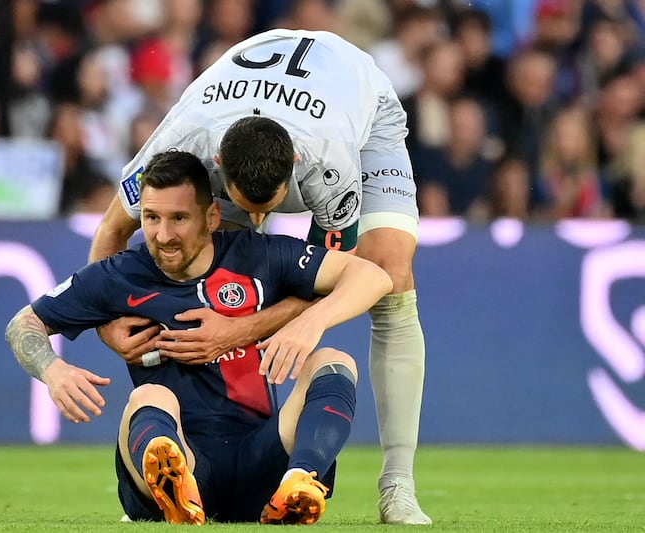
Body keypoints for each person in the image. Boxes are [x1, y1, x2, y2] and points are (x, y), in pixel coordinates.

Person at [88, 29, 430, 525]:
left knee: (390, 272)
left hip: (359, 106)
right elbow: (111, 231)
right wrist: (108, 323)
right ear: (219, 166)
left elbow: (345, 275)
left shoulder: (327, 160)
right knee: (204, 259)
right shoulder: (183, 140)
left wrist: (283, 326)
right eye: (244, 209)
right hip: (239, 104)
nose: (256, 224)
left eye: (265, 210)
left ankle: (398, 484)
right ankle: (184, 464)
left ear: (292, 168)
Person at [5, 151, 394, 524]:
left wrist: (311, 322)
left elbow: (373, 277)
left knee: (335, 361)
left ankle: (299, 481)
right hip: (185, 449)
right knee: (149, 397)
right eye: (151, 217)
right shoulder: (118, 274)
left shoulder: (258, 255)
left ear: (211, 217)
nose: (162, 234)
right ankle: (176, 482)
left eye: (178, 218)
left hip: (260, 458)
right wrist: (53, 370)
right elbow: (24, 323)